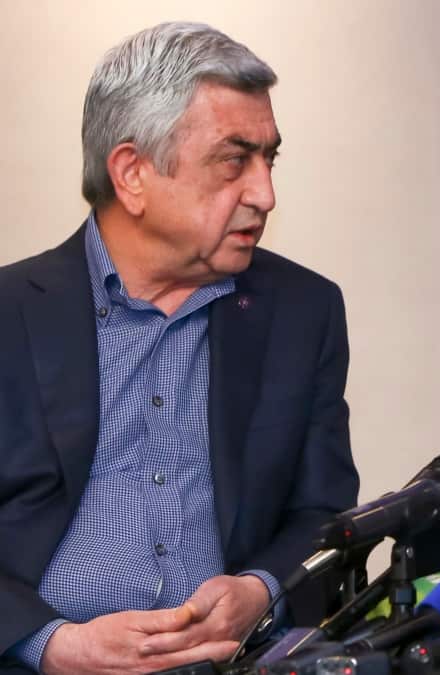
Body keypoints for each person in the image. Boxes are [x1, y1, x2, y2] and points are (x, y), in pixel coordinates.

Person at [0, 22, 359, 674]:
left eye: (269, 160)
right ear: (132, 173)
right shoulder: (9, 315)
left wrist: (261, 590)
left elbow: (324, 512)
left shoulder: (303, 312)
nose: (265, 194)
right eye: (233, 160)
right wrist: (50, 646)